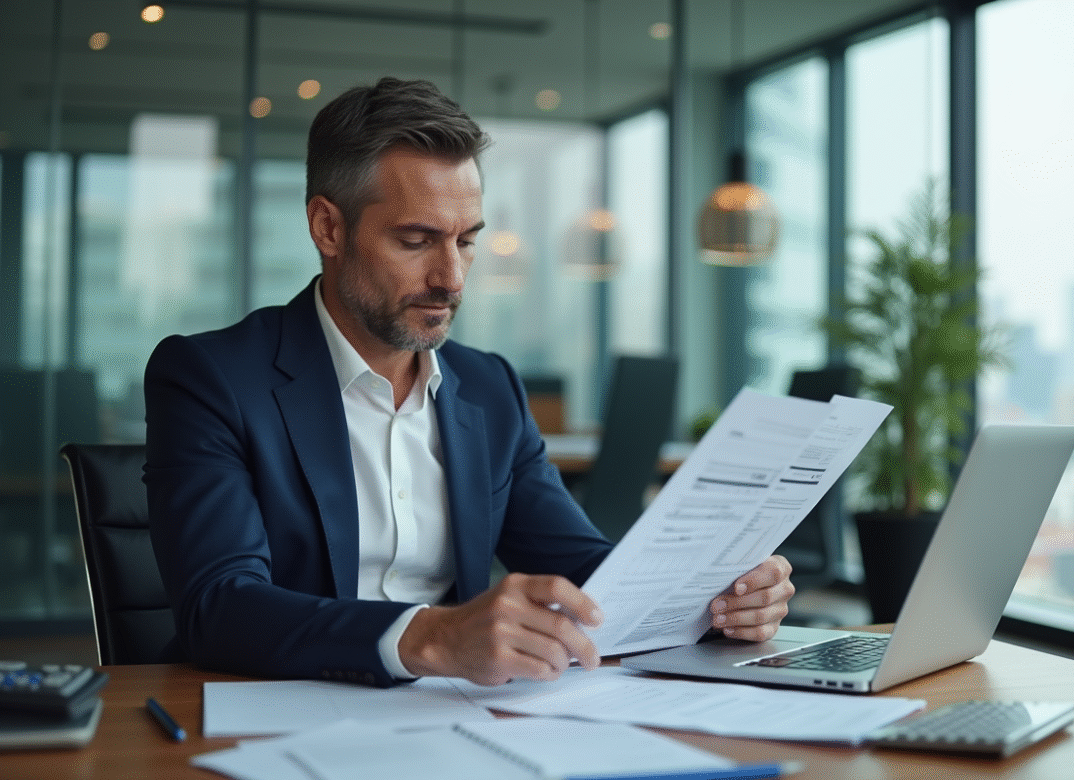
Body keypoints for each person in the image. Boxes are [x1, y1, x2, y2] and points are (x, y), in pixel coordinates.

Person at [144, 77, 795, 688]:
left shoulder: (488, 388)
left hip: (456, 723)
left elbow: (585, 571)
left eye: (467, 240)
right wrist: (430, 637)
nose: (452, 278)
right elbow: (219, 606)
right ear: (328, 228)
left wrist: (716, 599)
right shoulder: (212, 379)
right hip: (270, 718)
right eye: (417, 240)